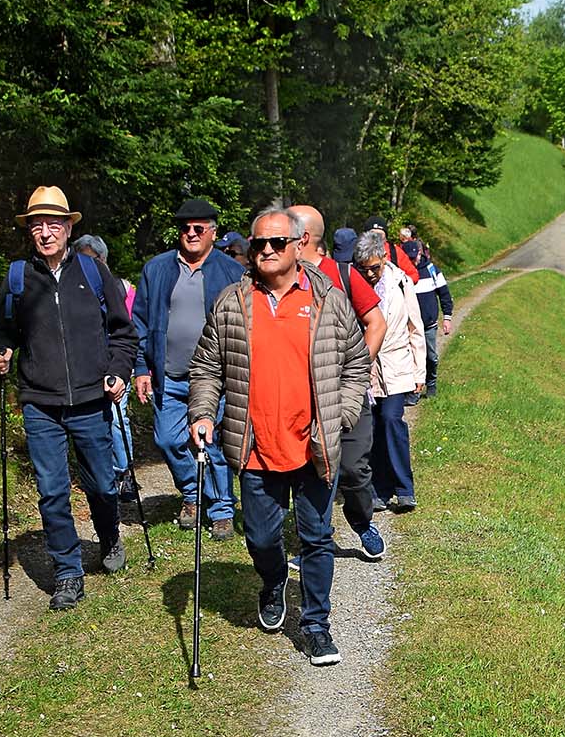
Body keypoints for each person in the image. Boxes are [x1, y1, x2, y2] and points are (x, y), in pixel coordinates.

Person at [188, 208, 368, 667]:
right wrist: (203, 413)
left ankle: (316, 626)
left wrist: (342, 416)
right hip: (255, 447)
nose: (267, 250)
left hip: (314, 447)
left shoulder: (329, 299)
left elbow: (356, 364)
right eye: (259, 244)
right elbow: (207, 367)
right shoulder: (233, 302)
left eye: (277, 243)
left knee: (317, 538)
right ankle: (272, 582)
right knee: (262, 539)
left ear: (298, 245)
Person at [0, 190, 137, 610]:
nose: (45, 232)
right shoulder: (18, 277)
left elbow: (123, 332)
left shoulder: (92, 271)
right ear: (29, 231)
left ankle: (109, 535)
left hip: (91, 399)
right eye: (37, 225)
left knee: (103, 485)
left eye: (54, 224)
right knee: (52, 492)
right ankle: (68, 572)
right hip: (40, 403)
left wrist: (118, 371)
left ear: (69, 228)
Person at [133, 198, 245, 539]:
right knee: (167, 439)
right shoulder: (157, 269)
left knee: (214, 444)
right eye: (185, 228)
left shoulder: (232, 272)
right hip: (169, 376)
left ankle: (222, 510)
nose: (191, 234)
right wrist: (141, 367)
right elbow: (139, 320)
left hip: (216, 378)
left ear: (213, 232)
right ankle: (193, 493)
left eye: (199, 228)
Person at [290, 206, 387, 558]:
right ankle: (316, 542)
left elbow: (376, 323)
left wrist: (357, 369)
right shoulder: (280, 281)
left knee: (352, 468)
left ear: (302, 239)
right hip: (300, 395)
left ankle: (362, 522)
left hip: (347, 393)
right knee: (311, 470)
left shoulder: (342, 274)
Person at [355, 227, 425, 513]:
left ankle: (404, 488)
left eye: (374, 267)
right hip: (367, 371)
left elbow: (415, 327)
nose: (370, 274)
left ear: (383, 258)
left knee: (391, 420)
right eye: (364, 269)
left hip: (397, 366)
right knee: (372, 429)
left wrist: (419, 373)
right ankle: (380, 491)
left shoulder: (401, 282)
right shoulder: (355, 285)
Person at [75, 233, 137, 495]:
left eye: (91, 259)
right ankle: (104, 475)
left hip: (116, 365)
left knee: (116, 418)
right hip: (87, 368)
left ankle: (124, 473)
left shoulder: (123, 289)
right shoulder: (72, 290)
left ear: (102, 259)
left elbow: (132, 330)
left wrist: (137, 368)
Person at [398, 224, 453, 398]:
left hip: (428, 324)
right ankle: (412, 391)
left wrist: (447, 317)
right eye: (408, 258)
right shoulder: (400, 274)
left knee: (430, 356)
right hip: (409, 326)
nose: (412, 261)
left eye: (414, 257)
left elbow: (444, 294)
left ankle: (431, 383)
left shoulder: (431, 270)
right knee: (410, 358)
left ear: (420, 254)